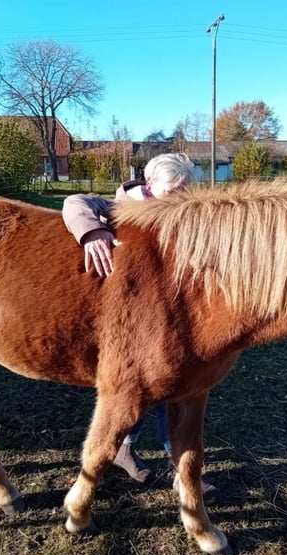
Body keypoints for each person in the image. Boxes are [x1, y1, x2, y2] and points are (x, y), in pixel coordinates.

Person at [62, 153, 219, 505]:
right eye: (174, 189)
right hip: (136, 318)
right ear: (149, 187)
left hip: (175, 318)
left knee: (173, 394)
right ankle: (123, 451)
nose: (182, 196)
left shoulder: (181, 212)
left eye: (186, 189)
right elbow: (75, 202)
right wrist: (93, 231)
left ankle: (181, 473)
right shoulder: (120, 208)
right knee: (136, 393)